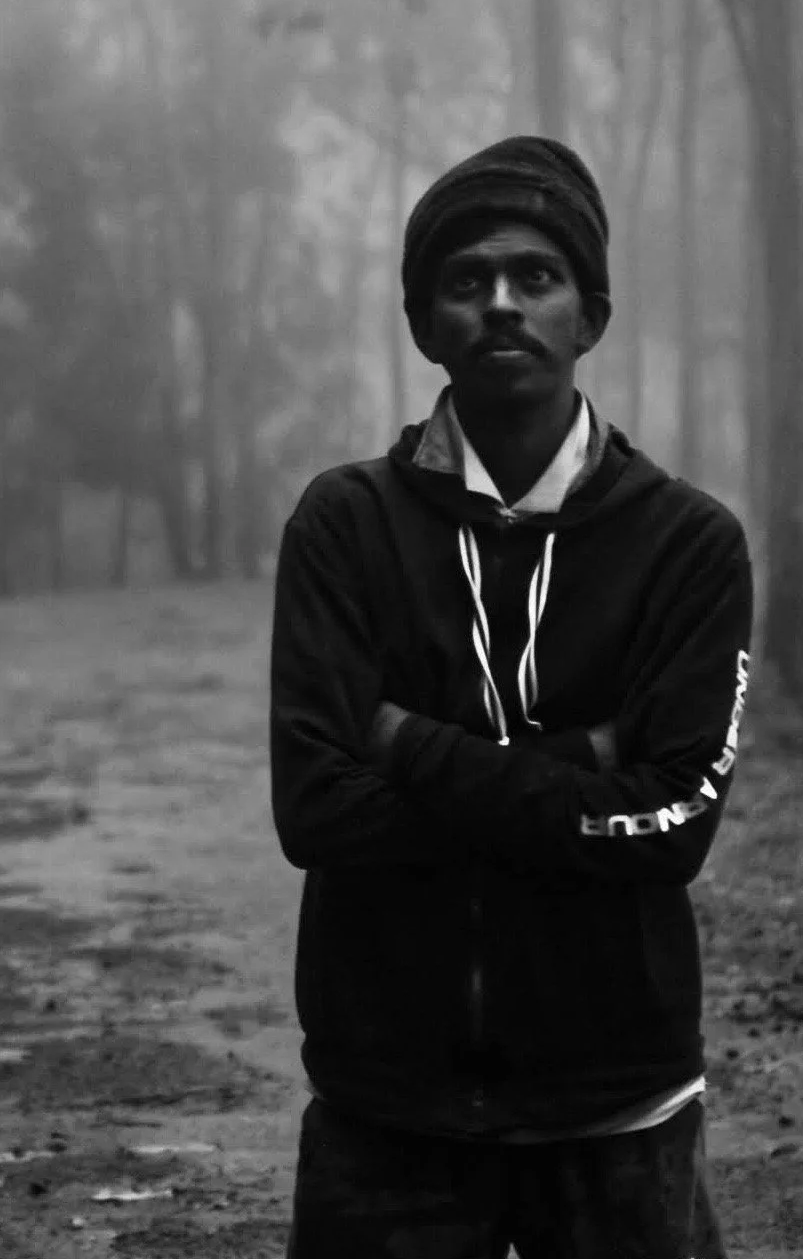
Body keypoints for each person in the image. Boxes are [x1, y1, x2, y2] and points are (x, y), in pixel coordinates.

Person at [270, 134, 752, 1259]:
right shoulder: (344, 527)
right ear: (424, 322)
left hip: (619, 1109)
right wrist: (583, 760)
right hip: (386, 1106)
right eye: (464, 279)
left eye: (534, 277)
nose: (499, 303)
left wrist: (401, 739)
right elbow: (314, 810)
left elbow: (672, 824)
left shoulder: (685, 544)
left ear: (590, 316)